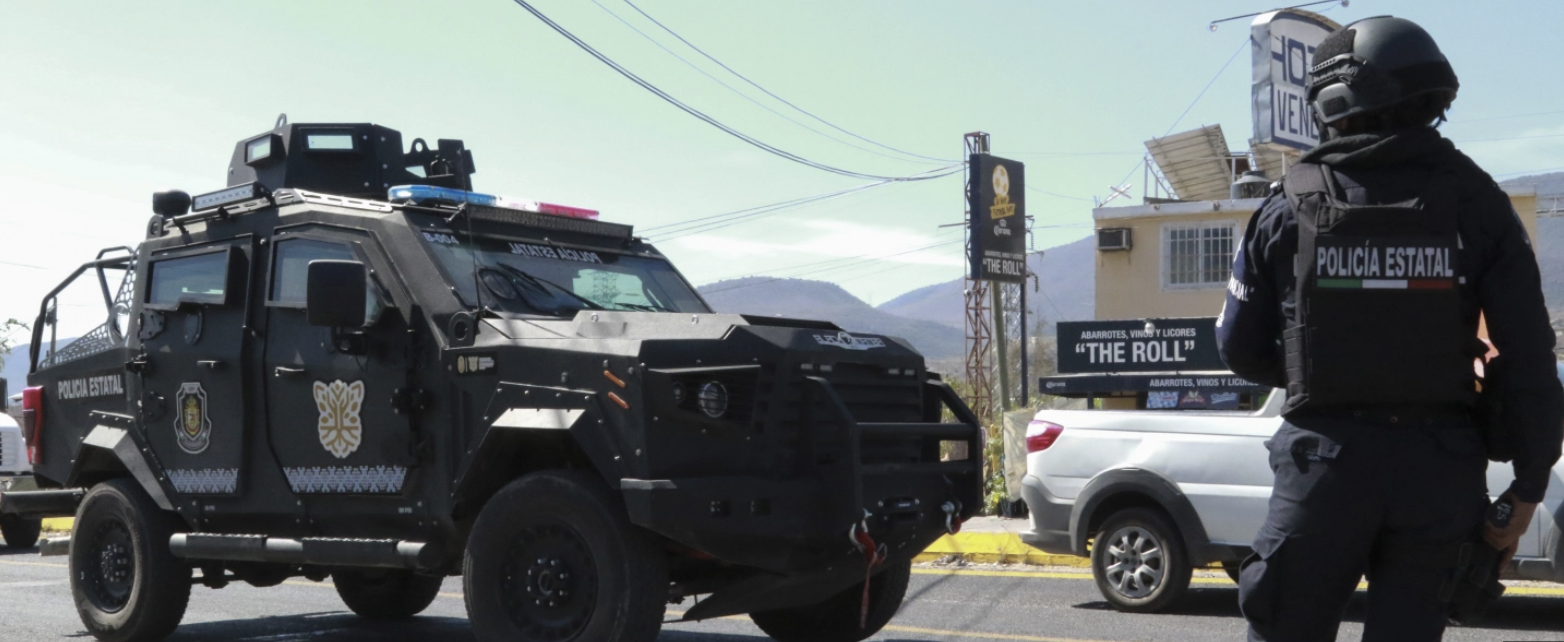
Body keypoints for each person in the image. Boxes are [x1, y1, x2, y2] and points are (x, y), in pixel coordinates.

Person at [1216, 15, 1563, 642]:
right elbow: (1533, 358)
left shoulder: (1286, 203)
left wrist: (1316, 367)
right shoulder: (1479, 200)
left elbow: (1239, 347)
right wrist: (1529, 487)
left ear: (1334, 99)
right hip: (1440, 472)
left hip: (1323, 470)